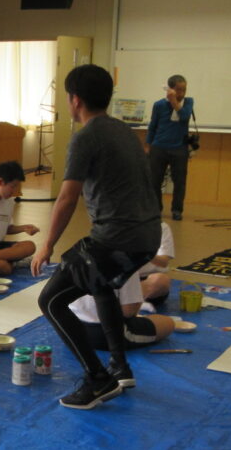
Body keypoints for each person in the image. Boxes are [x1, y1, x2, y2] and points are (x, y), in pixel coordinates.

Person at [32, 64, 161, 410]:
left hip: (117, 238)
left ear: (75, 100)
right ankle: (119, 366)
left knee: (51, 300)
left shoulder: (85, 137)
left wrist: (47, 245)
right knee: (98, 281)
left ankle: (97, 378)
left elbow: (67, 197)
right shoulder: (124, 131)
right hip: (148, 235)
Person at [69, 273, 175, 353]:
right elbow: (128, 312)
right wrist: (144, 289)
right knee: (168, 323)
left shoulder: (79, 254)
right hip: (102, 334)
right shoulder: (128, 262)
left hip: (70, 327)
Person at [146, 74, 194, 221]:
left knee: (179, 181)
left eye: (184, 89)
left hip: (179, 148)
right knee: (155, 180)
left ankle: (177, 210)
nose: (182, 93)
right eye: (179, 90)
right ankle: (156, 209)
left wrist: (174, 101)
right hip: (158, 147)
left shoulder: (188, 102)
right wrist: (148, 145)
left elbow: (184, 116)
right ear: (170, 89)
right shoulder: (159, 105)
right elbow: (153, 126)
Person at [138, 221, 175, 305]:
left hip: (147, 280)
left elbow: (164, 262)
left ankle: (130, 300)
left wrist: (144, 254)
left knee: (161, 280)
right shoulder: (117, 225)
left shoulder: (162, 227)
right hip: (124, 279)